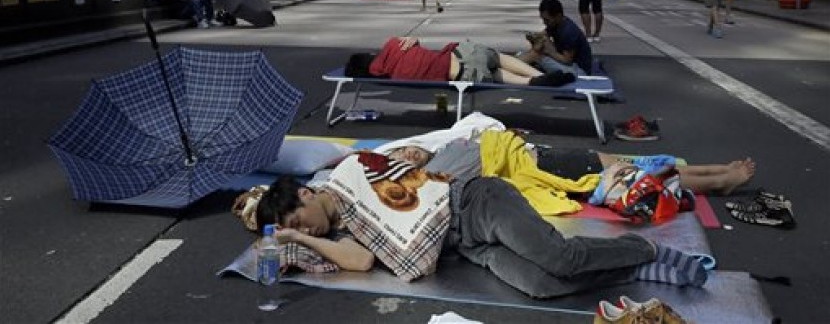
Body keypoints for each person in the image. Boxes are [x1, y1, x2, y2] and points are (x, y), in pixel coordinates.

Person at [256, 161, 709, 299]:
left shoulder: (350, 175)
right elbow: (363, 261)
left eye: (298, 220)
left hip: (476, 203)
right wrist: (297, 239)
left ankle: (643, 250)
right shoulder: (346, 234)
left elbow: (407, 161)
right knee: (541, 283)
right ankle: (631, 270)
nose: (303, 228)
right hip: (467, 246)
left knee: (559, 257)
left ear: (306, 196)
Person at [388, 140, 756, 197]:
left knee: (639, 166)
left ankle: (717, 172)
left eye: (407, 148)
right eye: (401, 157)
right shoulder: (436, 174)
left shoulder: (446, 148)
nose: (409, 153)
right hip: (551, 167)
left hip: (547, 154)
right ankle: (723, 179)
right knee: (643, 177)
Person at [345, 36, 574, 87]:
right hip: (465, 58)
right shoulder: (394, 45)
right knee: (496, 57)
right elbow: (414, 45)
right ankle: (537, 76)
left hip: (466, 76)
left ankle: (529, 83)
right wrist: (413, 39)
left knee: (492, 74)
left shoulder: (393, 78)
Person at [520, 0, 592, 77]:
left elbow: (567, 60)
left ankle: (510, 65)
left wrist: (549, 51)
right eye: (543, 19)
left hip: (579, 71)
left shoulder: (568, 31)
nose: (544, 22)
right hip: (567, 63)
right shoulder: (556, 23)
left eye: (547, 20)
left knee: (537, 56)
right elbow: (542, 35)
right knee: (537, 49)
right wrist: (533, 38)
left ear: (558, 16)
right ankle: (511, 64)